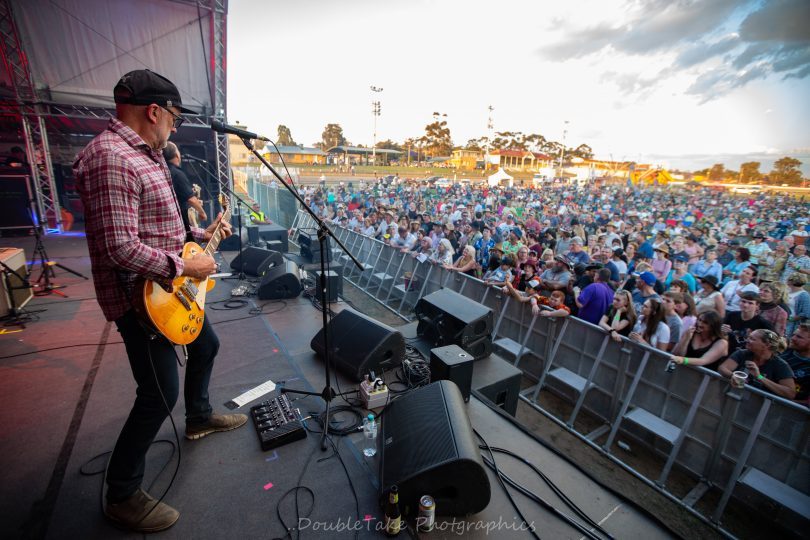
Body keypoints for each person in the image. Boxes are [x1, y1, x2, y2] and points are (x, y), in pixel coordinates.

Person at [74, 69, 245, 532]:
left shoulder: (145, 156)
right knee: (157, 394)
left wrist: (199, 236)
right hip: (142, 301)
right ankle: (123, 494)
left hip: (165, 290)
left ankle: (200, 417)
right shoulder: (113, 159)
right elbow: (118, 247)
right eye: (173, 117)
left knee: (205, 346)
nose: (175, 126)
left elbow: (157, 228)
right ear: (154, 111)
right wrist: (187, 267)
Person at [719, 329, 795, 400]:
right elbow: (723, 368)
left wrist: (759, 377)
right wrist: (736, 377)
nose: (747, 340)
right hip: (733, 398)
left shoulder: (780, 365)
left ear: (767, 344)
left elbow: (790, 393)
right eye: (748, 337)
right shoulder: (742, 353)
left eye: (752, 339)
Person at [162, 142, 206, 230]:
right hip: (181, 222)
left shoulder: (162, 170)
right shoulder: (177, 174)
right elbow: (191, 200)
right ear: (177, 155)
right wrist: (202, 213)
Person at [779, 323, 810, 404]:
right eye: (793, 335)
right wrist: (759, 377)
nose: (793, 338)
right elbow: (761, 376)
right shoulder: (783, 353)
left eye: (799, 337)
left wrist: (785, 404)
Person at [786, 273, 810, 337]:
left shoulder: (804, 295)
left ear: (791, 281)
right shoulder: (787, 291)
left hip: (792, 324)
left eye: (788, 280)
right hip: (783, 320)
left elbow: (806, 313)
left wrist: (790, 319)